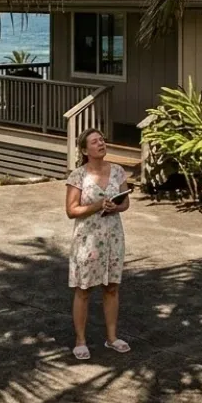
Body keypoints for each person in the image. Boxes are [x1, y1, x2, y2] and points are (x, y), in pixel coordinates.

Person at [65, 127, 131, 360]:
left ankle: (112, 337)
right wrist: (97, 205)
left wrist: (116, 206)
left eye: (102, 140)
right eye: (94, 142)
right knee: (84, 289)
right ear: (85, 150)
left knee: (111, 286)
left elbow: (126, 203)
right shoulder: (78, 176)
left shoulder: (118, 171)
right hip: (87, 239)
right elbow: (71, 211)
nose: (101, 144)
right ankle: (80, 340)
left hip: (113, 236)